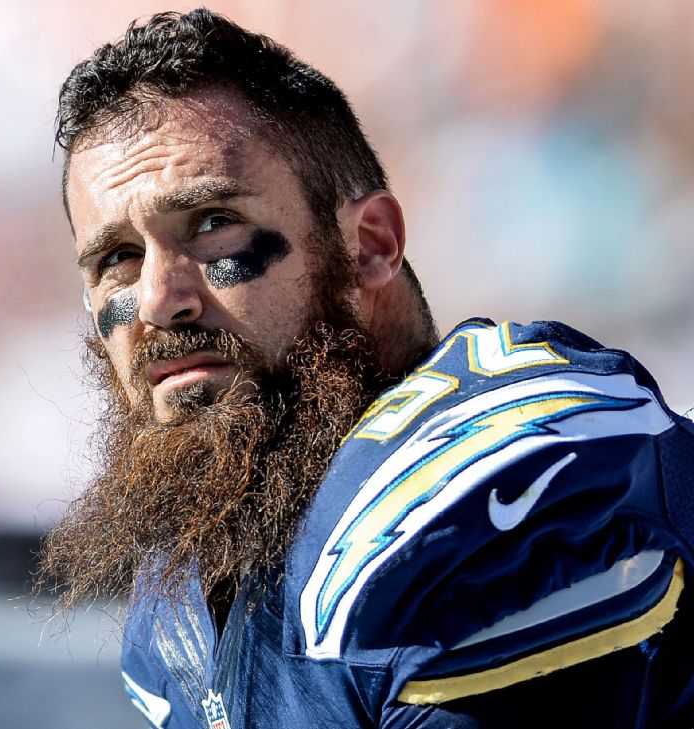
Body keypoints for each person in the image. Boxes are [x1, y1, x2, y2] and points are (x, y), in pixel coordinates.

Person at [36, 8, 694, 728]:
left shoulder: (463, 507)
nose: (159, 300)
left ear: (370, 245)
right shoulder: (181, 602)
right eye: (116, 259)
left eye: (211, 223)